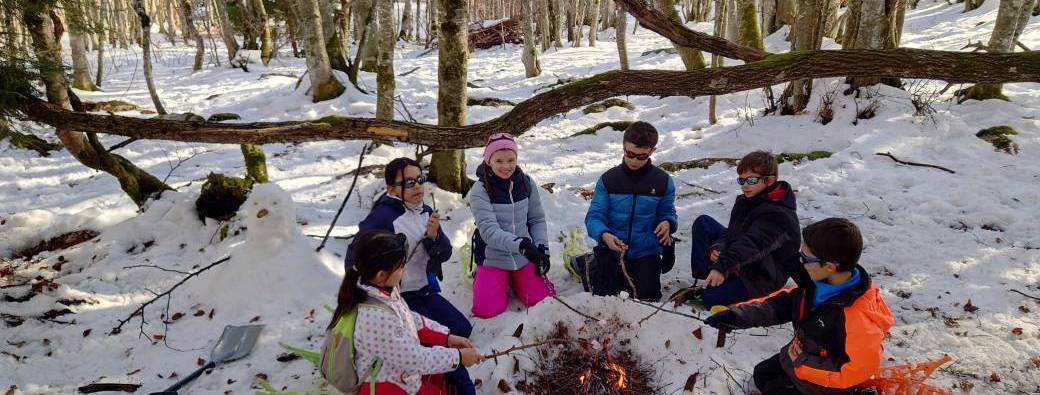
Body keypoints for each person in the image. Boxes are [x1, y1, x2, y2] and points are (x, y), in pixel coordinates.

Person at [705, 218, 894, 395]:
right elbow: (780, 304)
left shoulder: (857, 317)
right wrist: (737, 316)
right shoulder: (816, 282)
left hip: (827, 381)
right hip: (801, 356)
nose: (800, 262)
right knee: (762, 376)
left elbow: (854, 371)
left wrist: (802, 361)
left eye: (806, 258)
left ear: (829, 266)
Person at [345, 157, 475, 394]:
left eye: (420, 180)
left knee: (461, 328)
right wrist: (368, 293)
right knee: (433, 343)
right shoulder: (382, 218)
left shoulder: (425, 211)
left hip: (425, 288)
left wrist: (434, 236)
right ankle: (456, 384)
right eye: (408, 182)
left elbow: (443, 254)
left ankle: (437, 374)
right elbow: (355, 257)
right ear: (391, 189)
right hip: (399, 296)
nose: (417, 186)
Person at [329, 230, 484, 394]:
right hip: (387, 386)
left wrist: (446, 337)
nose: (405, 269)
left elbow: (409, 319)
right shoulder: (374, 317)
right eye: (401, 266)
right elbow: (414, 358)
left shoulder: (383, 290)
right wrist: (457, 357)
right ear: (381, 275)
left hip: (401, 374)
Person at [680, 151, 800, 308]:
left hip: (763, 275)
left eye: (751, 180)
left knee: (709, 299)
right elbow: (732, 233)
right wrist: (719, 247)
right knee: (704, 223)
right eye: (741, 180)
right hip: (743, 260)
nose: (745, 185)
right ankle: (709, 276)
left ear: (769, 180)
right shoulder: (745, 201)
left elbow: (752, 244)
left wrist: (722, 267)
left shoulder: (777, 214)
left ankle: (718, 282)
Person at [583, 121, 677, 301]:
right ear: (623, 147)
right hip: (612, 249)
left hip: (645, 251)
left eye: (641, 157)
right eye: (629, 154)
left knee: (648, 296)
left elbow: (668, 211)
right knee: (603, 295)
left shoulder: (663, 181)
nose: (634, 161)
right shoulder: (608, 179)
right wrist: (604, 235)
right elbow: (594, 216)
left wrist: (668, 223)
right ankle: (586, 263)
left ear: (652, 152)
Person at [468, 133, 553, 319]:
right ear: (488, 160)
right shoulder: (479, 191)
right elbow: (489, 232)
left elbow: (536, 219)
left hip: (523, 256)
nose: (506, 166)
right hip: (493, 257)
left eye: (510, 160)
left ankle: (517, 279)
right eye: (499, 160)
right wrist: (522, 245)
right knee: (487, 311)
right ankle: (484, 277)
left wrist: (541, 248)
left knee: (542, 300)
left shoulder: (526, 183)